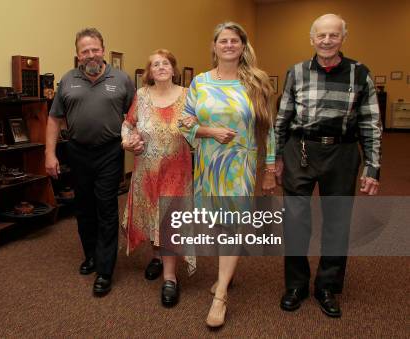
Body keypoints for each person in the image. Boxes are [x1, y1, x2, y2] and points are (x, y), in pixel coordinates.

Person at [275, 14, 382, 318]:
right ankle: (295, 285)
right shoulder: (295, 72)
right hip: (301, 150)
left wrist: (373, 167)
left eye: (333, 35)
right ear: (312, 39)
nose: (326, 40)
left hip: (343, 153)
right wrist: (277, 159)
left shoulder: (360, 73)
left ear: (342, 38)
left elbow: (371, 123)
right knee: (295, 220)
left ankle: (327, 286)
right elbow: (282, 119)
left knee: (337, 222)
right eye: (321, 35)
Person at [180, 22, 276, 327]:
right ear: (214, 46)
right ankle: (227, 274)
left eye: (235, 41)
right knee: (217, 223)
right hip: (209, 163)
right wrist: (209, 131)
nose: (229, 45)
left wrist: (270, 168)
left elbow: (268, 128)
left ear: (243, 46)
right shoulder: (200, 82)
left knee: (233, 224)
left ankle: (220, 294)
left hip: (240, 166)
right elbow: (184, 124)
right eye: (224, 40)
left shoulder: (256, 82)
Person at [45, 28, 135, 297]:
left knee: (106, 206)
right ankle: (92, 256)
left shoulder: (121, 79)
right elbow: (53, 119)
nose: (91, 54)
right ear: (77, 55)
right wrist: (49, 154)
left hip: (110, 152)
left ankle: (105, 270)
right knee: (82, 207)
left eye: (95, 49)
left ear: (103, 50)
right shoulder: (67, 80)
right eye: (85, 51)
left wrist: (136, 140)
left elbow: (135, 115)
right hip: (77, 151)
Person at [120, 49, 195, 308]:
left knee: (169, 220)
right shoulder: (141, 96)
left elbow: (198, 130)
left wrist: (195, 125)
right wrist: (127, 141)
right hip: (147, 171)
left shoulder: (188, 96)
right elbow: (128, 125)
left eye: (165, 63)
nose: (161, 67)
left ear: (173, 69)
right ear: (149, 73)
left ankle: (170, 278)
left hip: (177, 170)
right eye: (155, 64)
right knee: (153, 213)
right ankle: (157, 257)